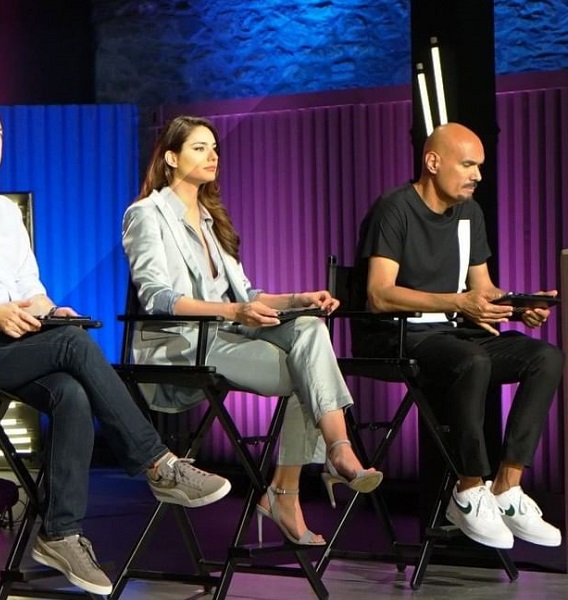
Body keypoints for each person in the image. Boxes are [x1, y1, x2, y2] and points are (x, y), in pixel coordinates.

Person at [0, 90, 232, 595]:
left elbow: (30, 289)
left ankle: (60, 534)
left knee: (70, 392)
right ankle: (159, 464)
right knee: (72, 346)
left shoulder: (5, 212)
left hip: (5, 337)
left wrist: (49, 311)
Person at [121, 115, 383, 547]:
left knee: (310, 329)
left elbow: (246, 295)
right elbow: (157, 297)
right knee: (309, 371)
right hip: (182, 343)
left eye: (214, 148)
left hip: (228, 332)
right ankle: (291, 489)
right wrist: (233, 311)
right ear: (171, 158)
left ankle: (336, 451)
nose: (213, 156)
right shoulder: (146, 214)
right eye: (199, 148)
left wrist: (298, 299)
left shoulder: (212, 219)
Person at [354, 121, 564, 550]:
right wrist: (458, 302)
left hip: (452, 331)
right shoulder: (394, 209)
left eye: (479, 166)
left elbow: (481, 289)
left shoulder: (470, 213)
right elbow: (379, 294)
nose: (477, 175)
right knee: (472, 361)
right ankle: (468, 490)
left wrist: (516, 306)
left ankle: (507, 487)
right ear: (433, 162)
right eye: (468, 165)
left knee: (546, 358)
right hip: (399, 333)